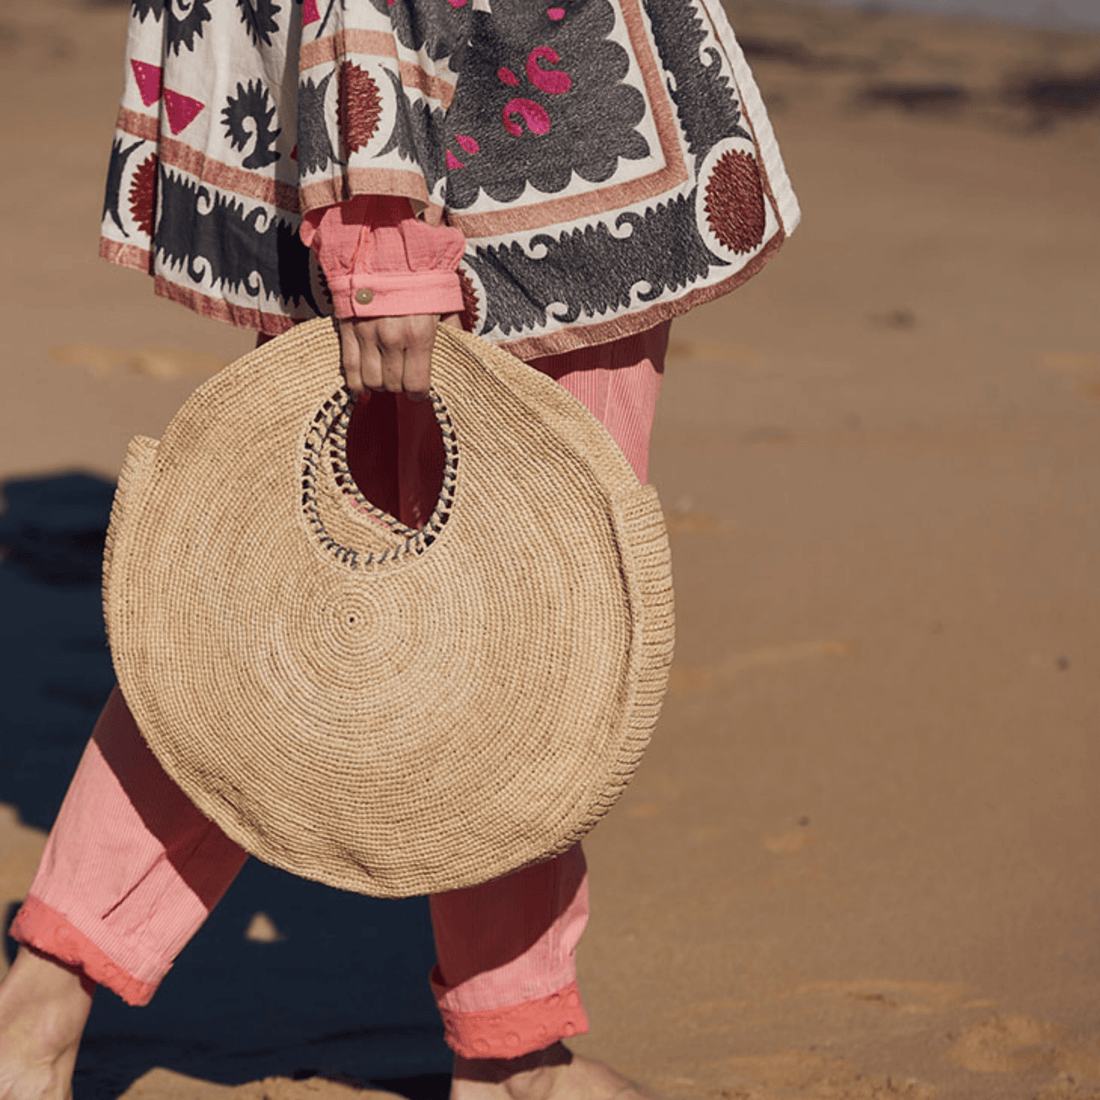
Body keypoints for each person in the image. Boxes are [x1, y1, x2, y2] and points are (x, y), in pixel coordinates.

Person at [0, 0, 799, 1096]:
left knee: (269, 606)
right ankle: (512, 1053)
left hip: (435, 124)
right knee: (520, 615)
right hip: (500, 144)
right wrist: (380, 237)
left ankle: (43, 1003)